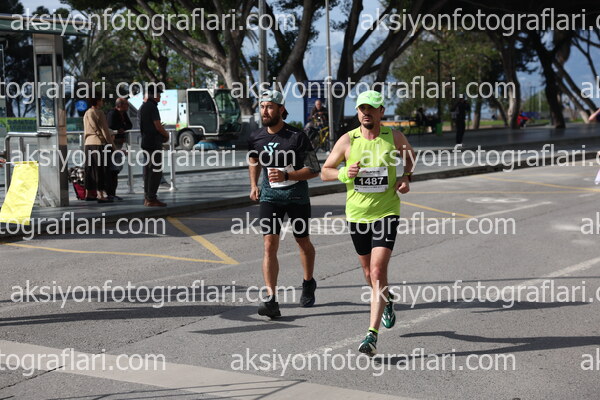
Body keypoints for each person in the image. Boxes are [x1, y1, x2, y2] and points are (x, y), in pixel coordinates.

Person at [321, 90, 415, 356]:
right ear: (358, 111)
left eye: (371, 108)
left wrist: (406, 177)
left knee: (376, 270)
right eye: (362, 108)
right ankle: (387, 300)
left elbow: (410, 157)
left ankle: (371, 335)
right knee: (368, 272)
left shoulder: (394, 137)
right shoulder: (347, 140)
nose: (366, 113)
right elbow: (325, 172)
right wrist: (344, 172)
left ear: (381, 111)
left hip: (386, 212)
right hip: (357, 215)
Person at [248, 90, 321, 318]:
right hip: (270, 197)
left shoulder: (297, 137)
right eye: (262, 106)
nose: (265, 111)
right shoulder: (256, 136)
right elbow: (253, 159)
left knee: (303, 242)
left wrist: (287, 176)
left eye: (270, 107)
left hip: (296, 197)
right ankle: (271, 299)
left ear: (281, 109)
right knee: (269, 245)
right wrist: (254, 184)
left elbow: (314, 169)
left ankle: (308, 282)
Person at [139, 86, 169, 207]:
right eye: (159, 94)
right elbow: (157, 125)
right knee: (156, 171)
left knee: (148, 171)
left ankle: (147, 198)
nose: (160, 97)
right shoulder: (152, 107)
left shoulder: (143, 107)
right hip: (153, 142)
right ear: (154, 95)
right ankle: (151, 198)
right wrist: (166, 134)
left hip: (146, 142)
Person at [83, 95, 115, 203]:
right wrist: (112, 145)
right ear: (97, 101)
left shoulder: (87, 113)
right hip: (98, 143)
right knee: (100, 169)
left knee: (89, 168)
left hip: (88, 143)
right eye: (101, 100)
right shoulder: (99, 112)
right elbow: (104, 130)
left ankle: (88, 193)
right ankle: (100, 195)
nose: (102, 102)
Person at [106, 97, 132, 201]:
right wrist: (119, 129)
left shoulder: (124, 113)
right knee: (113, 168)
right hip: (113, 143)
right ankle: (110, 192)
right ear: (119, 105)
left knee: (116, 168)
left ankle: (112, 192)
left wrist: (122, 128)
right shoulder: (112, 113)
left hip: (119, 142)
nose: (128, 106)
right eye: (126, 104)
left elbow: (129, 125)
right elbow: (111, 126)